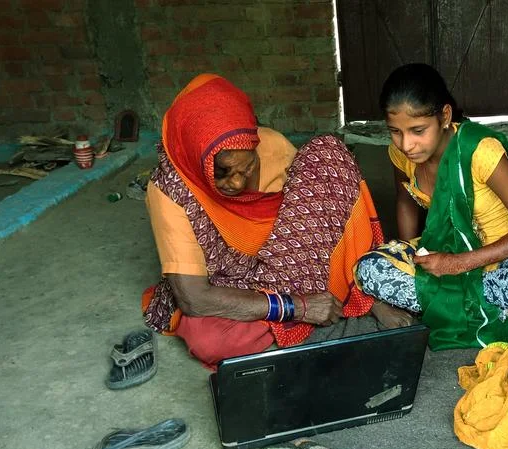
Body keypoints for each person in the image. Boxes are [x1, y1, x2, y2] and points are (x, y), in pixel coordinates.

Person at [140, 73, 388, 369]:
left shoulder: (271, 146)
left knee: (329, 155)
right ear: (196, 155)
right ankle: (316, 310)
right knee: (210, 339)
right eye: (222, 172)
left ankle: (365, 290)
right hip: (232, 285)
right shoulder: (170, 190)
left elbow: (315, 216)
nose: (236, 183)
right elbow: (194, 297)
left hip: (290, 266)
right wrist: (297, 307)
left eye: (247, 169)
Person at [354, 64, 508, 350]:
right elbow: (405, 201)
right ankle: (479, 304)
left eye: (418, 130)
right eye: (395, 131)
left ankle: (446, 304)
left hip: (501, 262)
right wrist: (409, 257)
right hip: (441, 255)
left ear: (444, 116)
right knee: (368, 269)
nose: (407, 144)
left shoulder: (478, 151)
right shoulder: (402, 155)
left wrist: (457, 265)